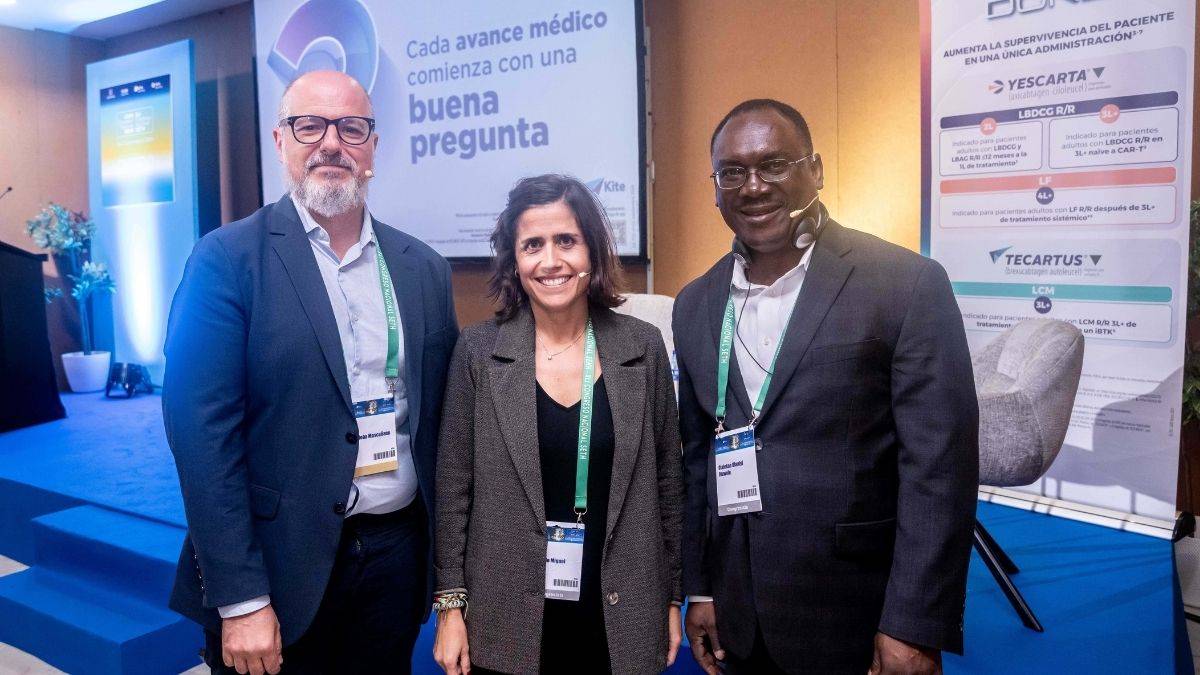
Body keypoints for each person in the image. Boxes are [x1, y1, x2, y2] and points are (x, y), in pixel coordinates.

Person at [163, 70, 457, 674]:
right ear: (280, 141)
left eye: (351, 128)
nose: (331, 143)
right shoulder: (226, 260)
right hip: (277, 564)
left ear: (372, 146)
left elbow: (442, 427)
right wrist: (241, 598)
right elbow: (200, 438)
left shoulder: (423, 267)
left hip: (395, 560)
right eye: (309, 126)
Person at [675, 99, 979, 675]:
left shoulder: (904, 284)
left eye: (774, 164)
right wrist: (704, 588)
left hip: (855, 610)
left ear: (815, 170)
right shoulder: (695, 303)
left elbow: (940, 467)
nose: (753, 186)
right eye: (732, 172)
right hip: (741, 613)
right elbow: (697, 463)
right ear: (714, 189)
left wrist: (914, 622)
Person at [432, 174, 683, 674]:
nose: (551, 261)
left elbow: (668, 485)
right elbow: (454, 486)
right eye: (533, 245)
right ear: (514, 260)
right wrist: (450, 606)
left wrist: (673, 596)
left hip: (622, 610)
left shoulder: (643, 347)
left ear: (592, 250)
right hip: (506, 616)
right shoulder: (479, 352)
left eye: (567, 241)